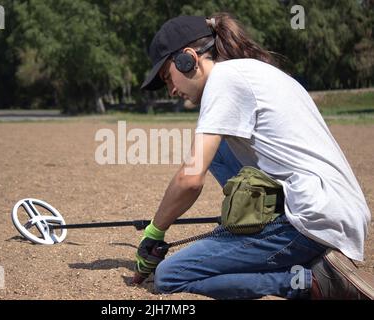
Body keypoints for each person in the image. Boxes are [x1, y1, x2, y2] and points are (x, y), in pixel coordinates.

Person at [134, 13, 374, 300]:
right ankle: (265, 232)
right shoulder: (246, 71)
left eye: (166, 76)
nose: (170, 88)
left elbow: (190, 179)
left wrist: (154, 231)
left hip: (311, 219)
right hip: (332, 210)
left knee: (170, 275)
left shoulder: (224, 80)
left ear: (188, 58)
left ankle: (312, 282)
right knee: (221, 149)